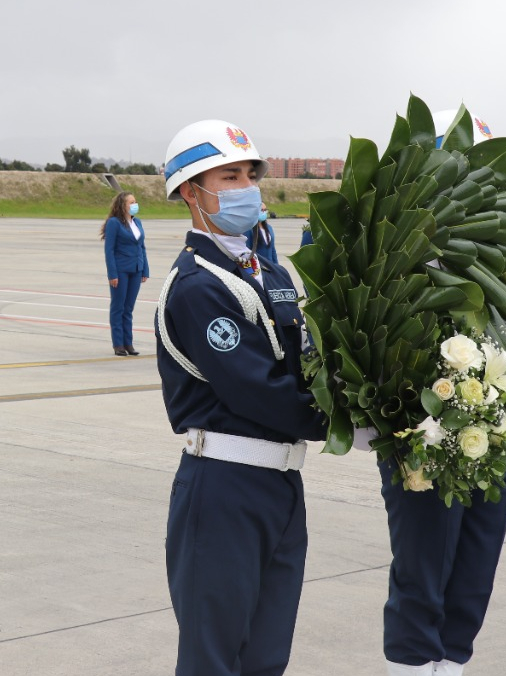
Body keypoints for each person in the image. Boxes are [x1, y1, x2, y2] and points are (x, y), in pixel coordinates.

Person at [377, 114, 506, 676]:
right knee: (423, 576)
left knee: (475, 574)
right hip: (424, 439)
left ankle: (452, 665)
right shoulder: (397, 250)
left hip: (492, 439)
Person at [155, 119, 326, 676]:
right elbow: (257, 389)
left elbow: (302, 362)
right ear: (191, 191)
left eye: (251, 175)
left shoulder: (268, 271)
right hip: (224, 486)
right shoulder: (198, 285)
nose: (247, 188)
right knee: (215, 659)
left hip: (281, 482)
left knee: (266, 656)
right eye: (229, 177)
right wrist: (343, 420)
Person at [101, 190, 148, 356]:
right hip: (120, 271)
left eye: (135, 201)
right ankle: (118, 344)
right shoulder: (114, 223)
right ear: (123, 205)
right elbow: (109, 250)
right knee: (118, 308)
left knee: (128, 309)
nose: (135, 205)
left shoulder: (137, 222)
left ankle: (128, 343)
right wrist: (112, 274)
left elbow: (142, 247)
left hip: (136, 269)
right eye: (131, 202)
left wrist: (145, 269)